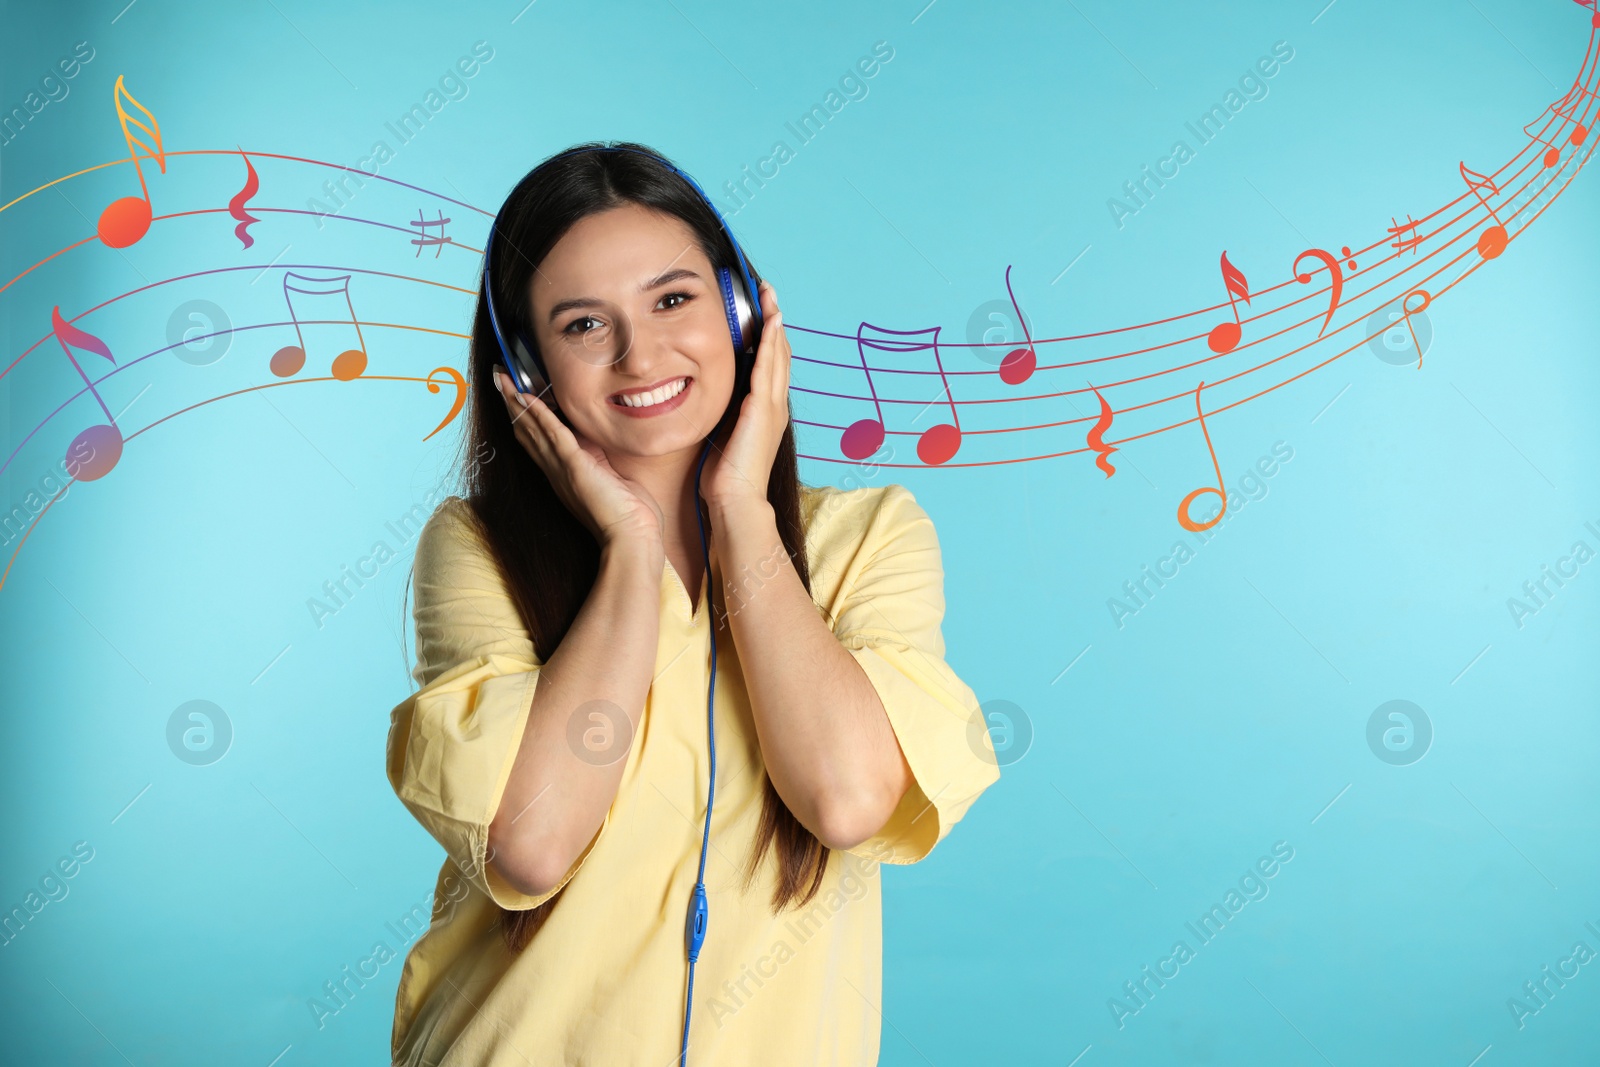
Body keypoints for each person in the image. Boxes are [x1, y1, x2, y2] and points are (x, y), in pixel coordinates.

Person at [384, 142, 1000, 1066]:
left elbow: (844, 798)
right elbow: (533, 844)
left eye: (674, 300)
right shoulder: (476, 549)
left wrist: (741, 511)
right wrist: (632, 553)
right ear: (526, 367)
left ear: (741, 309)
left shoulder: (869, 538)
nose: (642, 354)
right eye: (584, 324)